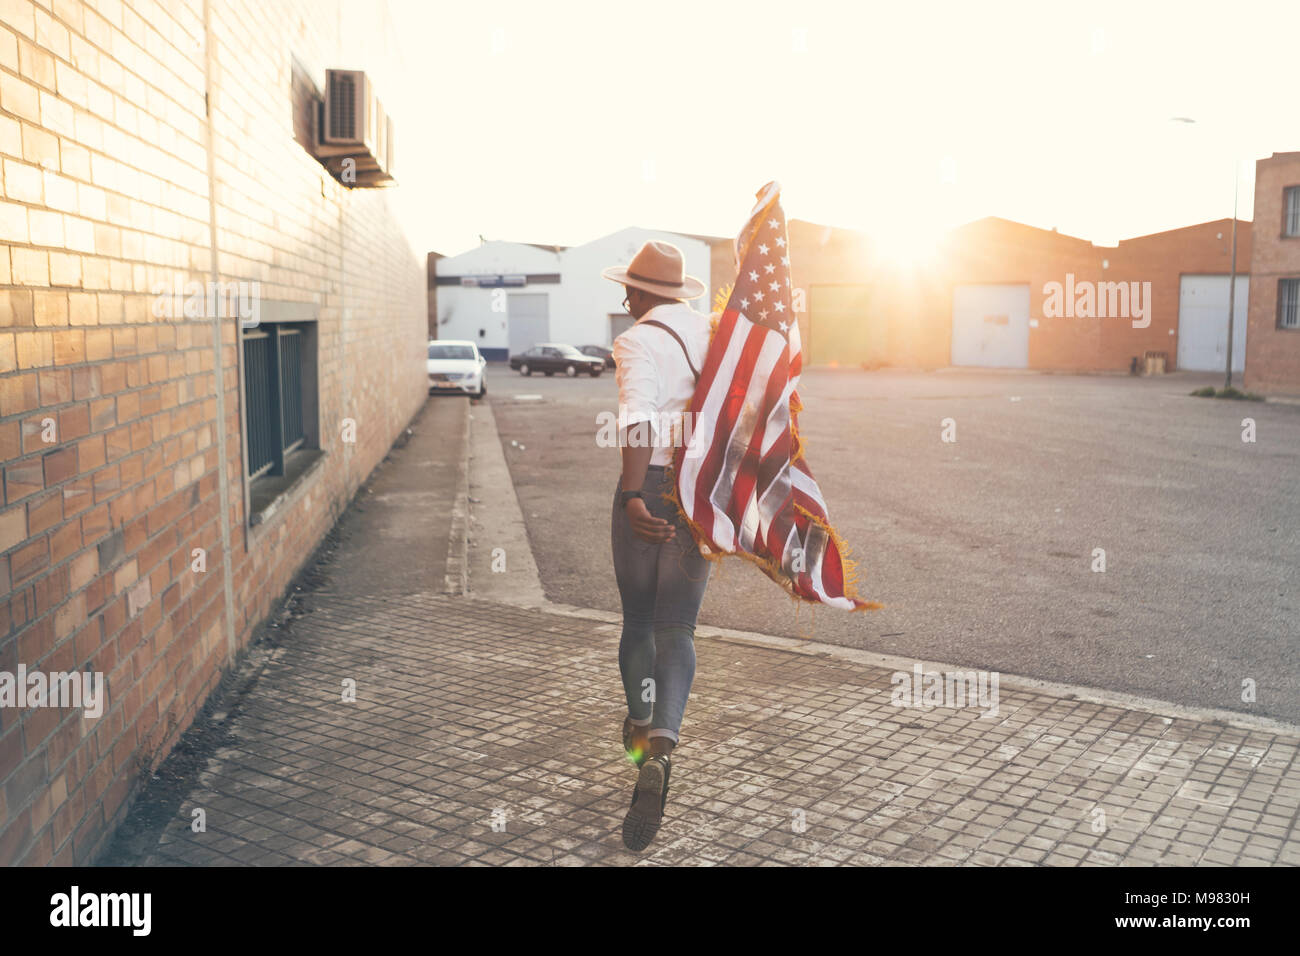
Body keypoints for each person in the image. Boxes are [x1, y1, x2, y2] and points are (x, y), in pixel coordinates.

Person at [602, 240, 713, 852]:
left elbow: (637, 417)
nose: (626, 299)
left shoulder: (637, 339)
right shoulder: (713, 337)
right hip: (698, 491)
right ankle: (663, 750)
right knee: (679, 630)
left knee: (640, 620)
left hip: (650, 482)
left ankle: (640, 728)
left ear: (643, 293)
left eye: (630, 290)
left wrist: (631, 496)